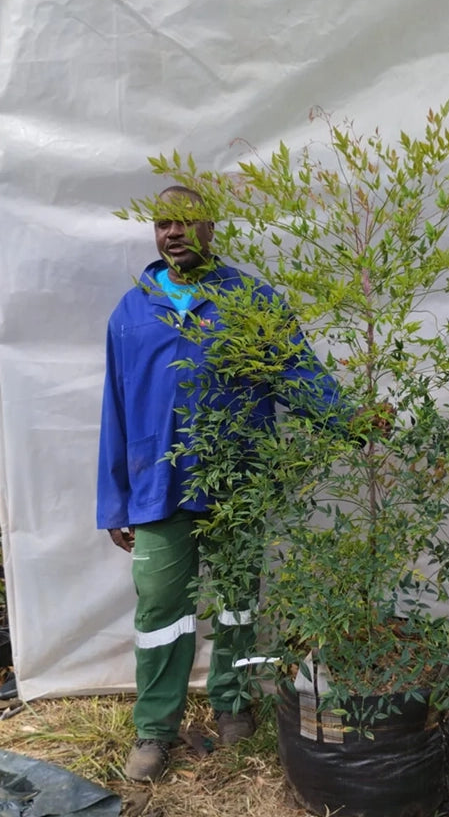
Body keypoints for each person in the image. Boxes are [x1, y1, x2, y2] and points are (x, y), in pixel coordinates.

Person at [97, 186, 344, 781]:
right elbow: (117, 409)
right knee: (161, 606)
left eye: (185, 221)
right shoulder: (131, 312)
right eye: (162, 223)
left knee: (238, 602)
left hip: (236, 483)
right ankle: (156, 729)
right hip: (159, 485)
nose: (172, 232)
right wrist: (115, 501)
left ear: (210, 229)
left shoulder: (251, 301)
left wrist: (346, 421)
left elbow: (295, 369)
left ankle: (233, 704)